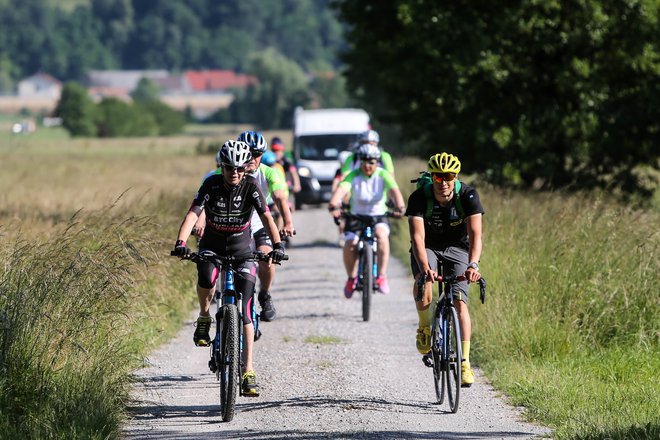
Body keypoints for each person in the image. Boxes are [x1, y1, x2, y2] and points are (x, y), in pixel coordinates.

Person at [171, 140, 286, 396]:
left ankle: (248, 370)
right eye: (228, 168)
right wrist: (180, 242)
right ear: (221, 166)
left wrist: (277, 245)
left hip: (242, 249)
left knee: (246, 309)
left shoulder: (251, 186)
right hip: (212, 245)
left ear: (246, 168)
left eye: (239, 169)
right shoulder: (210, 184)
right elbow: (193, 213)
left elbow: (267, 216)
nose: (233, 173)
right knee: (207, 277)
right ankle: (203, 317)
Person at [405, 152, 484, 387]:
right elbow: (417, 238)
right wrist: (425, 267)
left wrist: (473, 264)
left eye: (448, 176)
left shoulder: (468, 195)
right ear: (432, 177)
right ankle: (424, 326)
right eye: (438, 177)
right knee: (425, 282)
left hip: (458, 247)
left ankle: (464, 362)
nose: (443, 182)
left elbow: (476, 234)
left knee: (460, 302)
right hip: (428, 245)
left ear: (455, 176)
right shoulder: (420, 197)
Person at [328, 143, 405, 297]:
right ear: (360, 161)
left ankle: (382, 276)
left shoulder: (383, 174)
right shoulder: (353, 175)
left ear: (377, 162)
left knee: (382, 237)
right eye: (364, 161)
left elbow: (394, 191)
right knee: (350, 244)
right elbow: (341, 190)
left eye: (371, 162)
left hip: (378, 215)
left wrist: (400, 206)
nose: (367, 165)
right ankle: (351, 278)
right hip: (356, 215)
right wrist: (334, 204)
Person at [239, 131, 295, 322]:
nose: (252, 158)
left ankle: (264, 294)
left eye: (257, 153)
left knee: (267, 257)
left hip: (259, 224)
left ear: (262, 154)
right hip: (234, 226)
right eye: (248, 152)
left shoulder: (270, 172)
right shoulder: (231, 171)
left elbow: (280, 197)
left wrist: (288, 222)